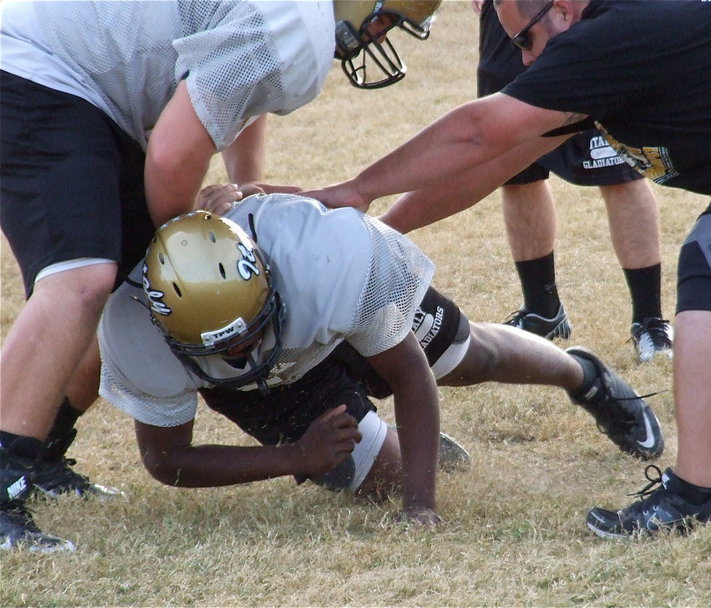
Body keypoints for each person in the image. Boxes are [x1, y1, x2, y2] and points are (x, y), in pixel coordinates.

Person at [303, 0, 711, 538]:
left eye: (525, 43)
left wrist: (356, 190)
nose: (523, 64)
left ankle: (700, 499)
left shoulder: (608, 35)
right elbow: (495, 161)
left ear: (562, 10)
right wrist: (382, 234)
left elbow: (478, 132)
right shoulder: (606, 44)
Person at [0, 0, 441, 552]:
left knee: (118, 285)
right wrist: (189, 250)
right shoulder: (301, 26)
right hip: (41, 72)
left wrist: (243, 193)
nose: (379, 36)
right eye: (385, 19)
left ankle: (39, 455)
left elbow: (231, 92)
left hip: (75, 84)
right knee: (83, 279)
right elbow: (170, 155)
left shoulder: (289, 22)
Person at [96, 192, 663, 535]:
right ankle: (406, 442)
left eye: (249, 331)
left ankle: (582, 375)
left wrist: (422, 506)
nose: (243, 353)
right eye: (222, 348)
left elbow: (410, 373)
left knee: (466, 359)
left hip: (328, 317)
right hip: (271, 385)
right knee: (382, 477)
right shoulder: (133, 329)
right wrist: (292, 457)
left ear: (266, 277)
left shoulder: (330, 261)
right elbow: (166, 459)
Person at [483, 0, 671, 361]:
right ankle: (543, 311)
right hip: (509, 13)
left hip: (568, 11)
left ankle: (650, 321)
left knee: (618, 164)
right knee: (514, 165)